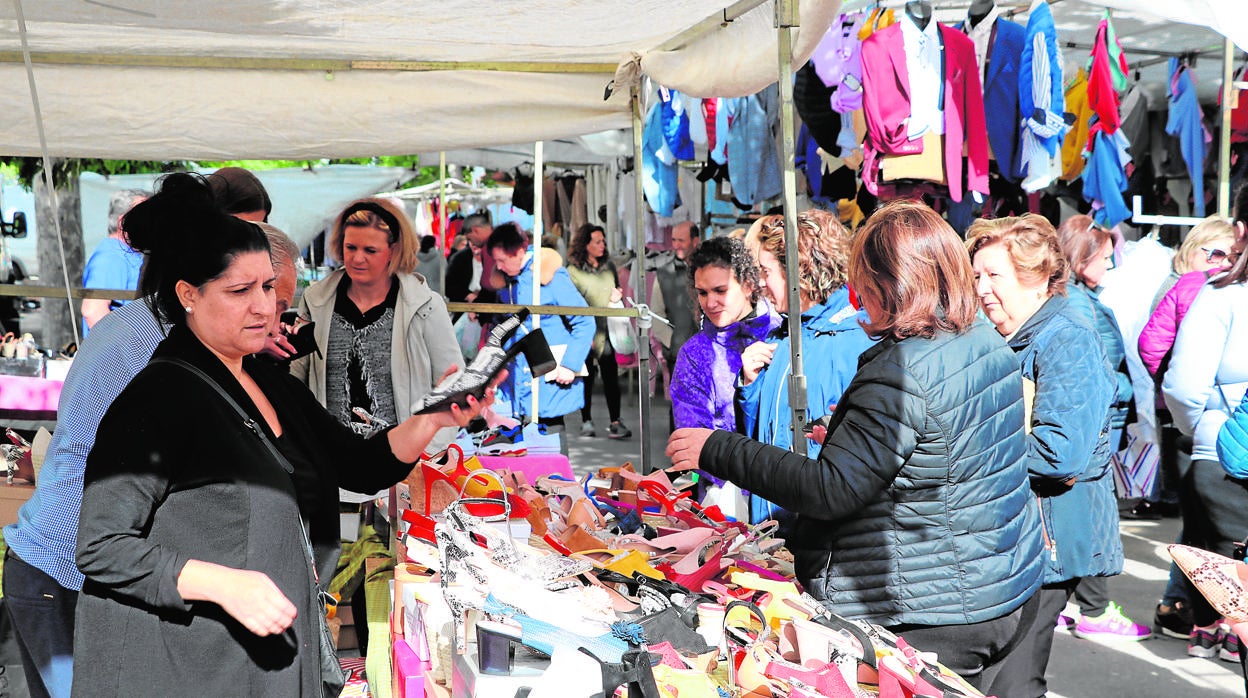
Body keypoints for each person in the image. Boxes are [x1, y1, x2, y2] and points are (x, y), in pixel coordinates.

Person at [70, 173, 489, 697]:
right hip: (184, 669)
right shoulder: (157, 397)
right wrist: (220, 582)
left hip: (263, 662)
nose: (265, 307)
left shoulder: (266, 378)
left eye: (268, 287)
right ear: (189, 295)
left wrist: (432, 416)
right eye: (240, 291)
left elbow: (359, 464)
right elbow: (102, 545)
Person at [668, 201, 1043, 688]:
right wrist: (846, 432)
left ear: (892, 283)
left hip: (937, 608)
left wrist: (716, 448)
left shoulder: (905, 369)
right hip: (999, 583)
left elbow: (830, 489)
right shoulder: (979, 338)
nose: (858, 294)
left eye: (864, 281)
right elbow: (935, 448)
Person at [2, 170, 277, 698]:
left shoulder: (147, 326)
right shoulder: (154, 343)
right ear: (195, 282)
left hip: (55, 568)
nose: (260, 306)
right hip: (61, 571)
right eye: (242, 287)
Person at [966, 214, 1123, 697]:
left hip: (1048, 542)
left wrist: (966, 444)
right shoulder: (999, 336)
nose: (982, 288)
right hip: (1010, 539)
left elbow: (1060, 453)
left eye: (995, 275)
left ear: (1036, 279)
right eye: (976, 276)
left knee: (1015, 682)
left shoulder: (1067, 337)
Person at [738, 211, 875, 527]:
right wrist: (749, 384)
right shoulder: (782, 337)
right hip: (769, 527)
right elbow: (758, 436)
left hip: (819, 535)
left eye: (765, 271)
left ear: (800, 270)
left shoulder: (858, 341)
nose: (760, 282)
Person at [1052, 215, 1151, 642]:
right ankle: (1093, 610)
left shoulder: (1077, 299)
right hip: (1094, 424)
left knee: (1075, 514)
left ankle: (1069, 604)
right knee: (1087, 515)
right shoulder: (1078, 305)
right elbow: (1093, 371)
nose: (1111, 265)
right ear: (1082, 258)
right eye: (1106, 258)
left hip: (1096, 422)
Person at [291, 197, 461, 443]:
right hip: (332, 462)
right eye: (351, 248)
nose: (358, 259)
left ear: (394, 250)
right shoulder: (316, 301)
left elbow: (452, 385)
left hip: (402, 463)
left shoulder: (425, 305)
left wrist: (428, 449)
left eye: (370, 250)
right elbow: (297, 380)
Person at [1163, 184, 1248, 673]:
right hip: (1226, 459)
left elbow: (1183, 387)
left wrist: (1206, 434)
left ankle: (1211, 632)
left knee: (1213, 558)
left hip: (1222, 459)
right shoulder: (1220, 298)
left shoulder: (1222, 298)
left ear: (1239, 232)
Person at [487, 221, 594, 436]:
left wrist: (569, 365)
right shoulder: (506, 282)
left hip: (548, 375)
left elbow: (585, 321)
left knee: (550, 448)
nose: (498, 266)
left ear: (518, 252)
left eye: (502, 260)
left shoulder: (550, 276)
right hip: (514, 380)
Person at [669, 235, 780, 433]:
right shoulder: (694, 355)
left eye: (720, 291)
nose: (710, 303)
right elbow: (694, 441)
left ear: (748, 285)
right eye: (702, 293)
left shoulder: (784, 335)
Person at [566, 224, 631, 440]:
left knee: (611, 377)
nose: (603, 245)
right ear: (585, 245)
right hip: (584, 331)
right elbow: (569, 306)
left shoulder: (609, 267)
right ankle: (586, 420)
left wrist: (616, 297)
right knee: (587, 378)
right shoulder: (572, 271)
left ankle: (615, 420)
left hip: (607, 331)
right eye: (597, 241)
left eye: (603, 241)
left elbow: (617, 291)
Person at [80, 188, 148, 336]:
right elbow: (93, 311)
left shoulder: (126, 253)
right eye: (145, 216)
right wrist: (124, 351)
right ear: (122, 222)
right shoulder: (110, 256)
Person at [649, 221, 701, 391]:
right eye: (674, 240)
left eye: (681, 240)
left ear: (695, 241)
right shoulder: (664, 273)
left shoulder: (708, 268)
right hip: (678, 353)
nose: (676, 245)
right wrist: (673, 343)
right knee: (678, 407)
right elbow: (656, 313)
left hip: (707, 350)